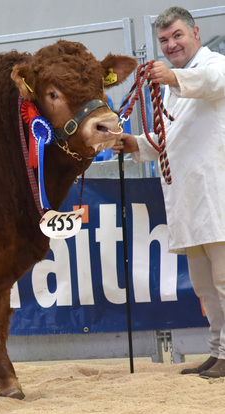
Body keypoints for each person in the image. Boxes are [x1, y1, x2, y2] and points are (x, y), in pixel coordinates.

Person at [113, 6, 225, 378]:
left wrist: (173, 77)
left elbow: (210, 83)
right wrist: (134, 143)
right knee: (206, 288)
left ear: (194, 32)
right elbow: (169, 138)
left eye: (177, 35)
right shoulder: (176, 86)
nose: (171, 44)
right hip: (190, 201)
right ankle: (218, 351)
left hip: (217, 195)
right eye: (164, 40)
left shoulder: (215, 66)